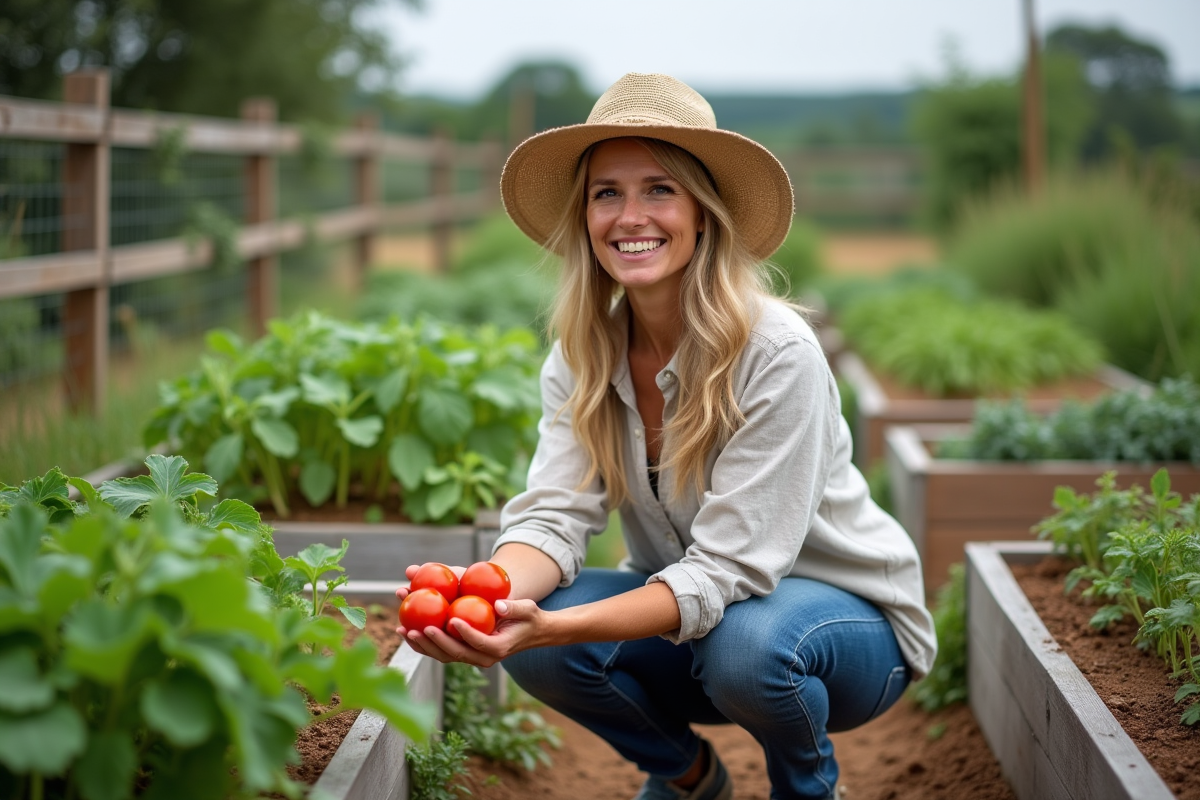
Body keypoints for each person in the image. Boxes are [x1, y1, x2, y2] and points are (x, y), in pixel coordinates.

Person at [396, 72, 937, 800]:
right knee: (544, 639)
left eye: (659, 189)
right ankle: (687, 778)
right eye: (606, 192)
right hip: (703, 628)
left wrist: (554, 628)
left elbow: (729, 572)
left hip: (845, 634)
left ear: (703, 213)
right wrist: (483, 598)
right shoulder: (584, 352)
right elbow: (554, 516)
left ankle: (807, 789)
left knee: (748, 645)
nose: (630, 216)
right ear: (585, 216)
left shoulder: (776, 352)